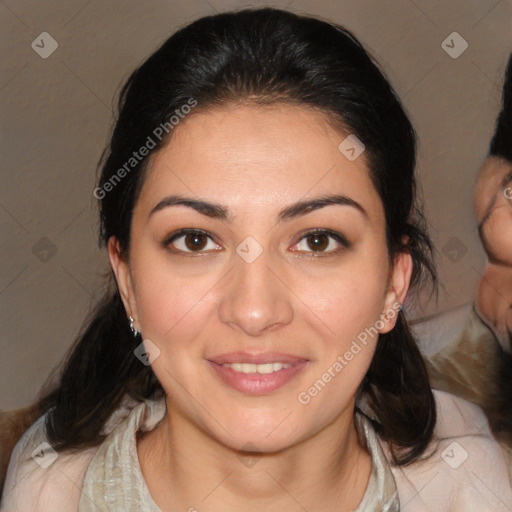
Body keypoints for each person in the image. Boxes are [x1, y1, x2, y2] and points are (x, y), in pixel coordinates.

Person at [1, 7, 511, 511]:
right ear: (127, 278)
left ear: (394, 285)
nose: (254, 311)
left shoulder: (469, 485)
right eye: (196, 241)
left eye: (316, 241)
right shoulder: (50, 494)